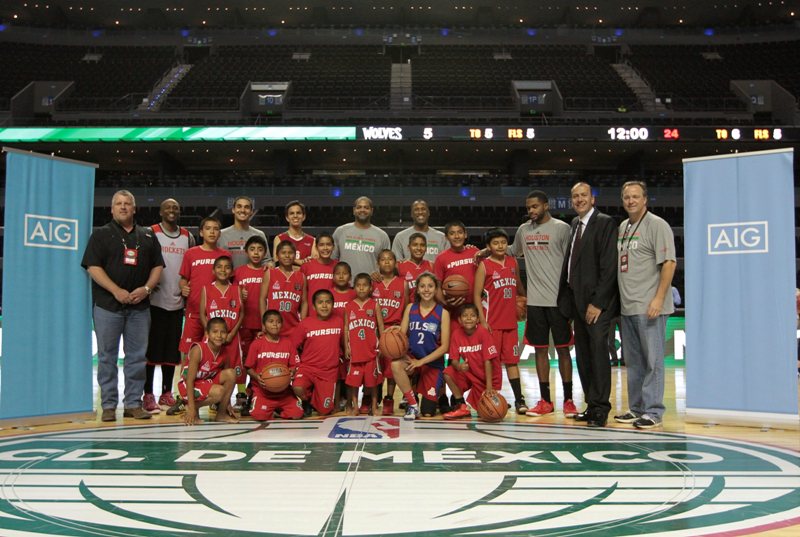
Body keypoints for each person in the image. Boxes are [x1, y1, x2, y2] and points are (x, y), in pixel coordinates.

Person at [82, 190, 164, 422]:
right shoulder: (100, 234)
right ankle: (108, 405)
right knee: (107, 358)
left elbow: (157, 266)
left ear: (134, 208)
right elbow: (93, 267)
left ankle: (133, 404)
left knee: (137, 358)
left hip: (140, 307)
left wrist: (146, 289)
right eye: (118, 203)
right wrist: (115, 290)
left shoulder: (147, 235)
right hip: (108, 306)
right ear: (112, 209)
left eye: (127, 203)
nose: (123, 207)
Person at [613, 181, 676, 429]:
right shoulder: (623, 227)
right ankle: (637, 408)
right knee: (634, 362)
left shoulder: (657, 225)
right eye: (626, 197)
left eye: (635, 196)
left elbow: (669, 263)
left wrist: (658, 299)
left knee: (653, 361)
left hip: (650, 306)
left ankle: (654, 411)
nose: (631, 201)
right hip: (628, 306)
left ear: (645, 199)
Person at [557, 182, 619, 428]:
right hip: (576, 303)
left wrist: (598, 303)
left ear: (593, 199)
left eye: (584, 195)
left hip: (596, 305)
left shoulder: (605, 223)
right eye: (575, 196)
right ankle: (591, 405)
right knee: (583, 357)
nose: (579, 199)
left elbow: (609, 267)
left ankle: (601, 408)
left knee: (598, 356)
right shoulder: (575, 224)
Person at [510, 191, 577, 418]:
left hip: (558, 301)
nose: (531, 211)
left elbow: (572, 262)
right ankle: (545, 400)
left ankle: (568, 400)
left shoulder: (562, 229)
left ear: (546, 206)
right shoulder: (523, 230)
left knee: (563, 350)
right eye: (528, 207)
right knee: (540, 350)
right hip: (535, 302)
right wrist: (484, 250)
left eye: (535, 206)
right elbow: (511, 251)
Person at [143, 198, 195, 414]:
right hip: (153, 301)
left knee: (171, 352)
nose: (172, 210)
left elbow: (191, 268)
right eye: (168, 207)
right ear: (160, 211)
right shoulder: (151, 232)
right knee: (151, 351)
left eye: (175, 207)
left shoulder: (187, 236)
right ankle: (147, 393)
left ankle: (166, 392)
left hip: (177, 302)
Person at [473, 228, 527, 414]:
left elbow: (518, 286)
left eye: (503, 242)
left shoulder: (512, 262)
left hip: (510, 323)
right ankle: (492, 398)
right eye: (495, 243)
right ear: (488, 246)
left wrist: (524, 302)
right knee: (492, 363)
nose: (500, 246)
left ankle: (519, 400)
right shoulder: (484, 265)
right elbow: (476, 295)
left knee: (512, 362)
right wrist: (482, 320)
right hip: (492, 323)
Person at [392, 273, 451, 420]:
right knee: (395, 364)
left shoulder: (443, 313)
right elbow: (402, 335)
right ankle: (412, 404)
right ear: (417, 289)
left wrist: (421, 362)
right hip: (412, 359)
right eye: (422, 286)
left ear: (436, 289)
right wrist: (393, 334)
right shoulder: (410, 308)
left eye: (430, 286)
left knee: (428, 411)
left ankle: (431, 391)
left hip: (432, 364)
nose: (426, 289)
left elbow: (445, 347)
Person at [178, 217, 231, 357]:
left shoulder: (225, 255)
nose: (212, 232)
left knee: (215, 354)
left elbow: (229, 282)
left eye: (215, 229)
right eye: (208, 229)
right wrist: (183, 288)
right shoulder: (190, 253)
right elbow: (183, 279)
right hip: (194, 312)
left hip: (216, 314)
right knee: (188, 354)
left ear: (220, 233)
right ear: (201, 232)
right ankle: (186, 373)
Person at [442, 303, 502, 419]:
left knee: (486, 412)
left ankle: (497, 399)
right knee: (447, 373)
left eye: (473, 315)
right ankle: (462, 406)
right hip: (471, 373)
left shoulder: (483, 333)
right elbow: (453, 360)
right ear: (459, 320)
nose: (469, 318)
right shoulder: (456, 334)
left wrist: (489, 387)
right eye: (465, 316)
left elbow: (488, 361)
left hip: (488, 377)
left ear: (478, 319)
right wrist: (459, 366)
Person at [291, 289, 344, 416]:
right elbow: (292, 347)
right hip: (307, 368)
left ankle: (316, 396)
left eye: (328, 302)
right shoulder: (305, 323)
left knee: (324, 410)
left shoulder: (339, 322)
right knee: (298, 387)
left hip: (328, 372)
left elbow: (344, 344)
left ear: (333, 305)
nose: (324, 305)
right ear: (314, 306)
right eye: (320, 302)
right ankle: (306, 400)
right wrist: (295, 365)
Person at [177, 317, 239, 425]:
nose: (219, 335)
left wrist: (227, 404)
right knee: (219, 391)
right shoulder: (198, 350)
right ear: (207, 334)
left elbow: (228, 381)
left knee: (231, 373)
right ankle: (190, 407)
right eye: (215, 332)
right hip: (189, 385)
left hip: (206, 382)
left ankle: (221, 414)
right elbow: (189, 380)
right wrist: (192, 408)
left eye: (223, 332)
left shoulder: (225, 352)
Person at [245, 310, 304, 421]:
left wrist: (292, 372)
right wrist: (257, 377)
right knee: (259, 416)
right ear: (264, 325)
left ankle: (277, 411)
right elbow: (248, 368)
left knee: (297, 414)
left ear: (282, 324)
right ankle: (262, 403)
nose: (275, 324)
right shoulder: (257, 344)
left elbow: (295, 365)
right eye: (271, 321)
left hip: (284, 392)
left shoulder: (288, 343)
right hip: (263, 392)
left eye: (278, 322)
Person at [199, 255, 245, 398]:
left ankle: (239, 396)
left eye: (227, 267)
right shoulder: (206, 289)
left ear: (232, 271)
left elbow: (242, 314)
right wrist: (209, 333)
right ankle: (214, 398)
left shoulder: (237, 289)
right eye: (219, 267)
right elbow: (202, 314)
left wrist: (232, 333)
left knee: (235, 367)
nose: (223, 270)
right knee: (212, 367)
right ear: (213, 270)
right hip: (212, 338)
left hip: (232, 336)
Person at [372, 249, 408, 415]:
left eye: (390, 259)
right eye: (383, 259)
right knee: (374, 365)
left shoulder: (403, 283)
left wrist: (402, 330)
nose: (387, 262)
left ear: (396, 263)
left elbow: (406, 308)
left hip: (394, 330)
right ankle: (371, 397)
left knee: (391, 369)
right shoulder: (373, 282)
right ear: (378, 263)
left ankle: (389, 398)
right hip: (375, 329)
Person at [344, 273, 384, 415]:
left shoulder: (374, 305)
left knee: (373, 382)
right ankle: (355, 406)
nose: (361, 288)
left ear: (370, 288)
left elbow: (381, 326)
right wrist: (346, 347)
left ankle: (374, 406)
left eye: (365, 285)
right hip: (355, 352)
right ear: (354, 287)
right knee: (353, 383)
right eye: (358, 285)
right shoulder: (349, 306)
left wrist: (383, 344)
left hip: (371, 351)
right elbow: (346, 328)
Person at [332, 196, 390, 281]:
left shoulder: (382, 235)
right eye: (359, 207)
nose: (362, 210)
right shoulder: (340, 231)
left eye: (366, 207)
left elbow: (387, 265)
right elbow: (332, 260)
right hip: (345, 284)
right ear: (354, 210)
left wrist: (380, 274)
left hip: (371, 285)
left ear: (372, 211)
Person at [259, 240, 307, 337]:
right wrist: (264, 322)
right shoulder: (270, 273)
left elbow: (304, 302)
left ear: (295, 256)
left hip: (294, 327)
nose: (287, 256)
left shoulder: (301, 276)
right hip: (273, 326)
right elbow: (262, 299)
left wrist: (303, 323)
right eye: (283, 253)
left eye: (290, 253)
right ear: (277, 256)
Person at [234, 235, 268, 360]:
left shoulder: (268, 272)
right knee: (245, 356)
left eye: (260, 249)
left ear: (265, 253)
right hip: (244, 323)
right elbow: (232, 297)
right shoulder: (238, 272)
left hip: (262, 322)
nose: (256, 253)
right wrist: (239, 295)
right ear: (246, 252)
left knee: (260, 357)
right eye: (252, 249)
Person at [219, 195, 272, 269]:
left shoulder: (259, 234)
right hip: (228, 276)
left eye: (246, 207)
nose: (242, 210)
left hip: (252, 276)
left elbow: (266, 261)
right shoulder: (221, 234)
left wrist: (269, 265)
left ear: (251, 211)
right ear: (233, 210)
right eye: (239, 206)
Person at [301, 231, 336, 314]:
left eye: (328, 244)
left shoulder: (338, 267)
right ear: (316, 247)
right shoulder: (306, 266)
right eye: (321, 245)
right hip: (311, 315)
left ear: (333, 247)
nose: (325, 248)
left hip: (333, 315)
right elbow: (302, 296)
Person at [273, 200, 317, 266]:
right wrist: (299, 262)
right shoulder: (279, 238)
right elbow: (277, 260)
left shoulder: (312, 240)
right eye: (292, 213)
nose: (295, 216)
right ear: (287, 218)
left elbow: (314, 264)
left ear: (304, 217)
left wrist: (290, 260)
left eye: (298, 213)